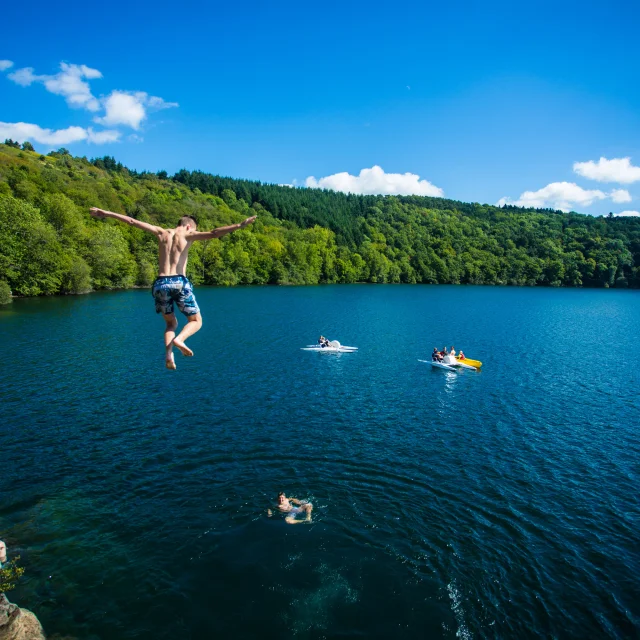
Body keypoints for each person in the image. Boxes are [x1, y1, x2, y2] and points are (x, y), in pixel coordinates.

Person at [89, 207, 256, 369]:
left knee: (170, 324)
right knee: (196, 321)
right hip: (179, 282)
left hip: (160, 284)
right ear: (189, 226)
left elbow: (133, 221)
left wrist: (108, 213)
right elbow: (214, 233)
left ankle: (169, 354)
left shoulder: (161, 232)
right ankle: (180, 340)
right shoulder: (188, 234)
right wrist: (240, 225)